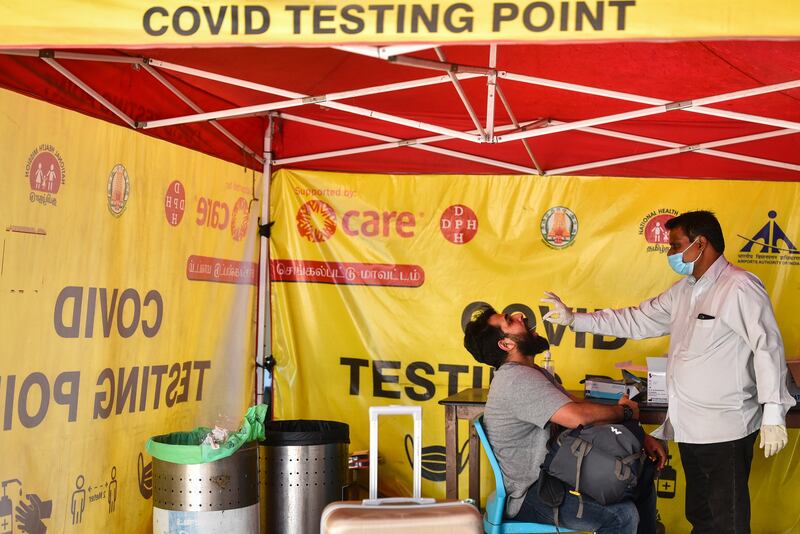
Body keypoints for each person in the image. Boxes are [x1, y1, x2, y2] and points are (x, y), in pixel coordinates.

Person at [542, 210, 796, 534]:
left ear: (701, 243)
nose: (670, 253)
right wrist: (574, 319)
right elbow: (634, 319)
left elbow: (767, 345)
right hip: (689, 427)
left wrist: (774, 412)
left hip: (725, 429)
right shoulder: (684, 291)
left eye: (676, 245)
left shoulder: (739, 287)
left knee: (726, 523)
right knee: (701, 517)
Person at [464, 305, 666, 534]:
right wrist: (626, 413)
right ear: (507, 344)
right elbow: (577, 417)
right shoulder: (515, 380)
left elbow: (578, 407)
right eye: (510, 320)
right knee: (621, 516)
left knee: (641, 476)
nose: (520, 315)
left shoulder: (534, 372)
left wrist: (640, 437)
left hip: (558, 473)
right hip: (533, 493)